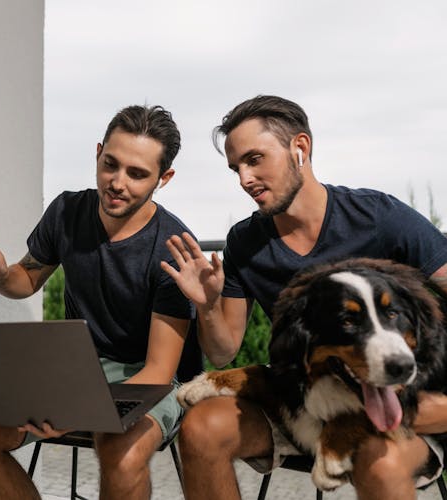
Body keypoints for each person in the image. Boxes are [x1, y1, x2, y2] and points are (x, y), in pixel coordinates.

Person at [161, 95, 447, 500]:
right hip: (298, 398)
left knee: (379, 461)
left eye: (255, 159)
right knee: (201, 427)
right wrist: (207, 306)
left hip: (392, 400)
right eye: (236, 167)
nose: (244, 178)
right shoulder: (245, 242)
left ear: (300, 148)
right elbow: (224, 353)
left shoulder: (380, 216)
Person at [0, 104, 196, 500]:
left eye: (137, 174)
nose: (117, 182)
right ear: (98, 152)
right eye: (110, 164)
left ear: (163, 179)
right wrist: (0, 275)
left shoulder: (172, 247)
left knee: (122, 450)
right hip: (81, 369)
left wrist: (78, 409)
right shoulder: (66, 211)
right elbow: (26, 279)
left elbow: (158, 370)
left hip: (154, 380)